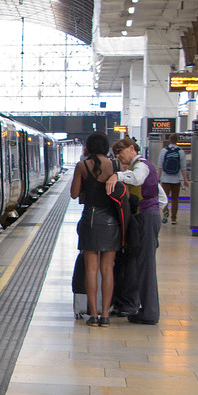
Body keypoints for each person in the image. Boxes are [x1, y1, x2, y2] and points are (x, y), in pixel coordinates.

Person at [106, 138, 167, 325]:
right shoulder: (141, 167)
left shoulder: (141, 166)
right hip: (148, 217)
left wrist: (117, 175)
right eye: (116, 153)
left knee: (146, 266)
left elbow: (138, 178)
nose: (118, 156)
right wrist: (154, 211)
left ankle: (149, 313)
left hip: (145, 218)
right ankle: (146, 310)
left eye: (120, 152)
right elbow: (162, 198)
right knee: (143, 265)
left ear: (131, 149)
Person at [70, 132, 120, 327]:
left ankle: (93, 314)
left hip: (90, 219)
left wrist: (85, 187)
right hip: (111, 222)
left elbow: (74, 194)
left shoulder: (82, 166)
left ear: (88, 147)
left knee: (91, 270)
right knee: (108, 270)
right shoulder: (116, 166)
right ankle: (105, 314)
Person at [157, 133, 188, 225]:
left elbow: (160, 166)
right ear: (177, 141)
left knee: (164, 198)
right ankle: (174, 218)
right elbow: (183, 167)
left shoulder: (164, 151)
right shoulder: (180, 152)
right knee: (175, 199)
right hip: (176, 180)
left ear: (169, 140)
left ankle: (165, 213)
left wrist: (158, 178)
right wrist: (185, 180)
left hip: (165, 179)